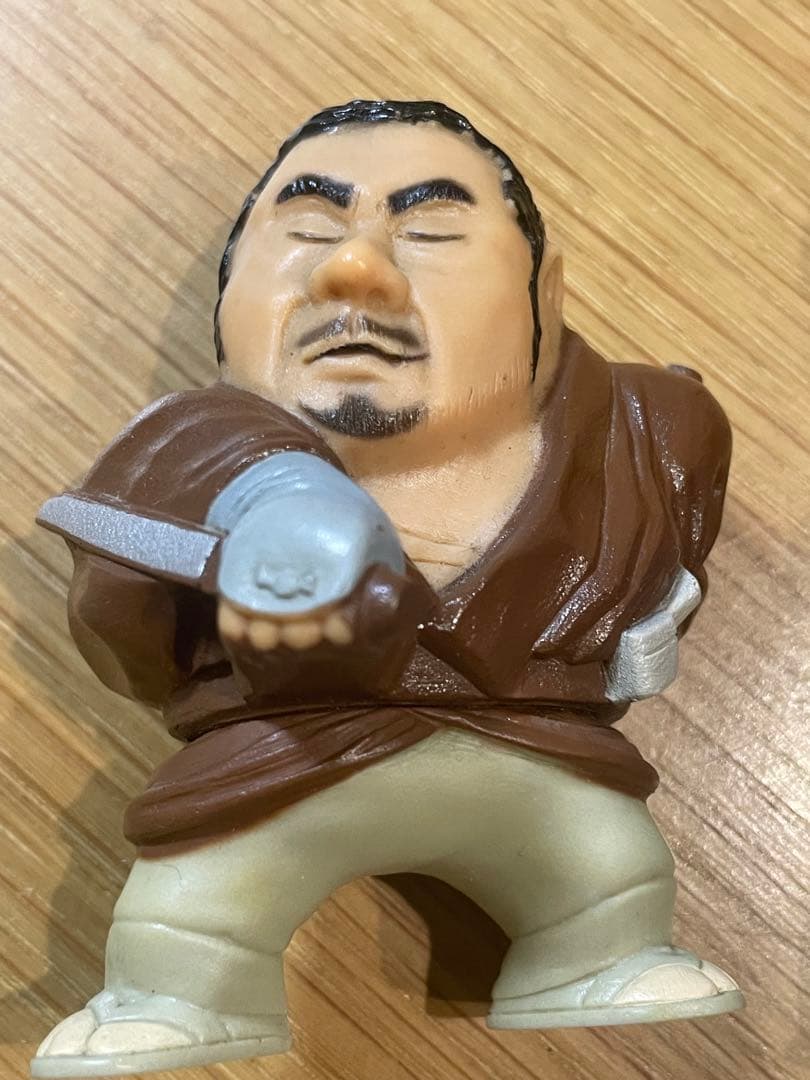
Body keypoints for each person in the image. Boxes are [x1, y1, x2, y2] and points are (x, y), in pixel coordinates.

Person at [31, 100, 741, 1079]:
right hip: (275, 759)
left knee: (608, 869)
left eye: (432, 231)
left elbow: (665, 565)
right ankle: (180, 991)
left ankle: (597, 950)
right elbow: (122, 632)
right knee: (192, 907)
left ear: (545, 293)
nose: (356, 269)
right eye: (308, 230)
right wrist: (258, 563)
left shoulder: (636, 434)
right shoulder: (191, 450)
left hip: (543, 755)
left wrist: (645, 627)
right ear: (230, 306)